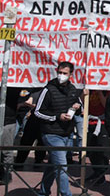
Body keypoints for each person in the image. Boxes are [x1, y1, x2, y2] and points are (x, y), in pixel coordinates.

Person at [34, 61, 82, 196]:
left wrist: (77, 107)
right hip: (51, 133)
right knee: (61, 166)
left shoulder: (73, 90)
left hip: (66, 134)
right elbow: (37, 112)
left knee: (52, 165)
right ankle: (66, 194)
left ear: (71, 74)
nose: (61, 75)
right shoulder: (48, 90)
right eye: (60, 73)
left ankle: (43, 192)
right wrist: (56, 117)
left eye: (65, 73)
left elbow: (79, 107)